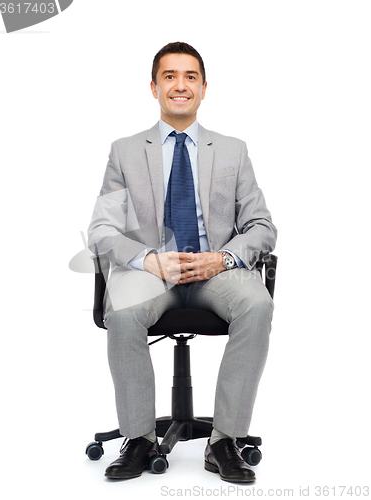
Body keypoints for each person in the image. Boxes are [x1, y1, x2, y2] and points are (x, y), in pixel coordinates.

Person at [87, 41, 277, 483]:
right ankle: (138, 440)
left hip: (217, 273)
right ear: (153, 87)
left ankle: (225, 441)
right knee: (126, 311)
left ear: (204, 88)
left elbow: (262, 226)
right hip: (151, 275)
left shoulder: (232, 150)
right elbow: (101, 230)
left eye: (190, 76)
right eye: (169, 76)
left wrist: (222, 258)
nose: (180, 85)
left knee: (258, 305)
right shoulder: (125, 151)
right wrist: (147, 260)